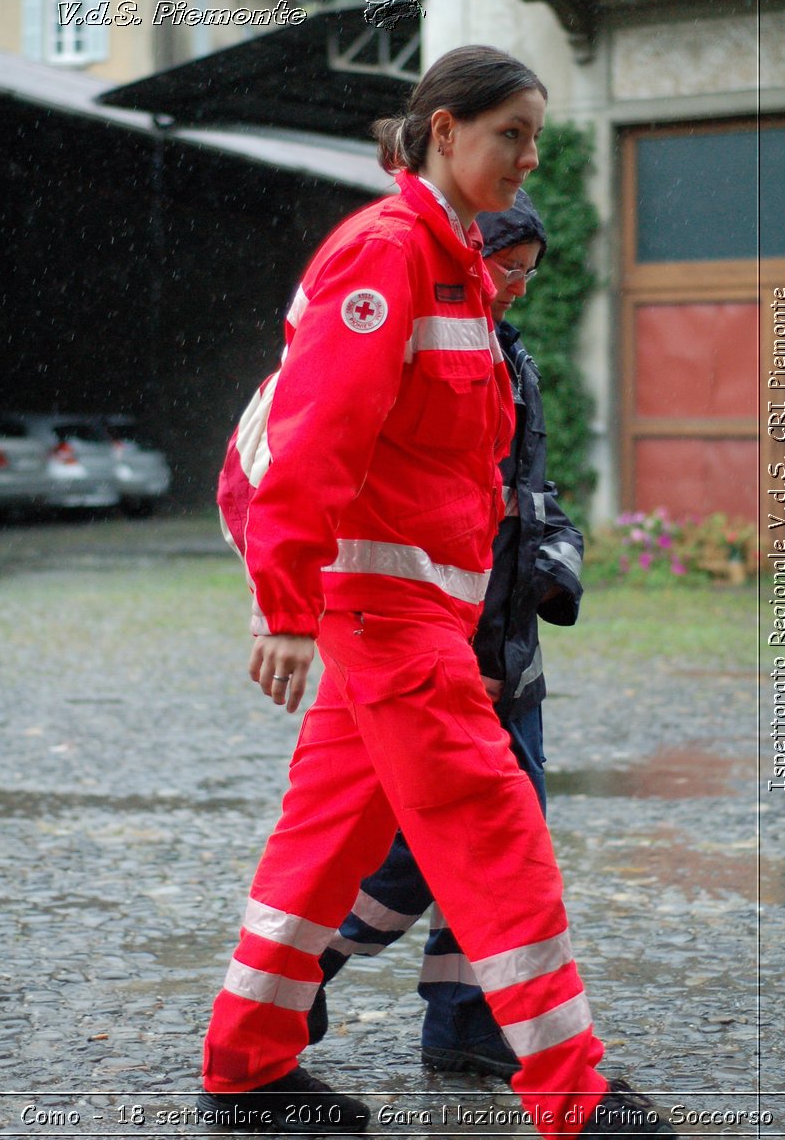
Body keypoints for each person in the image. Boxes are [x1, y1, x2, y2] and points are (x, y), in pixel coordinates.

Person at [201, 45, 673, 1139]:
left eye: (536, 138)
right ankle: (574, 1093)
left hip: (411, 622)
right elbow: (318, 442)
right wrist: (282, 608)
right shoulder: (389, 255)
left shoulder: (455, 265)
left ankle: (247, 1069)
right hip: (386, 621)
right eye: (509, 132)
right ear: (443, 130)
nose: (527, 158)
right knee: (494, 825)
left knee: (317, 851)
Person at [304, 190, 584, 1084]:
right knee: (432, 849)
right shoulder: (423, 334)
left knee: (496, 831)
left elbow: (523, 500)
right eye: (508, 267)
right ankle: (306, 967)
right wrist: (465, 658)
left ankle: (461, 1023)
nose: (518, 287)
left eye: (530, 274)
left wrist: (560, 553)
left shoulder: (510, 354)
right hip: (448, 639)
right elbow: (434, 513)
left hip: (505, 645)